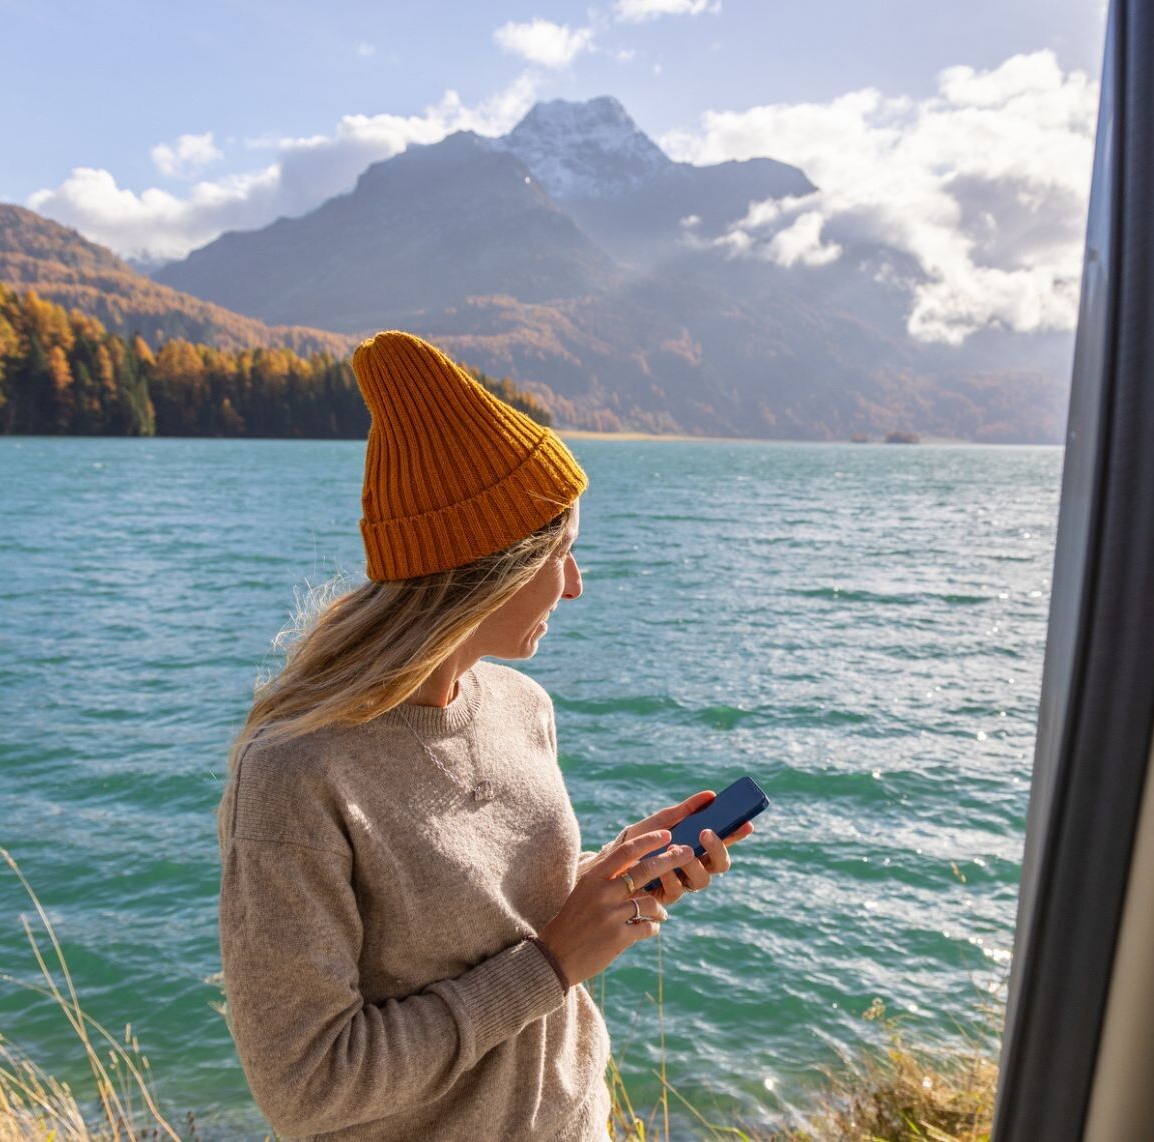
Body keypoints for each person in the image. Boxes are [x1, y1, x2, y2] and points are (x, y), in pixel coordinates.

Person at [216, 330, 755, 1140]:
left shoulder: (519, 706)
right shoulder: (299, 771)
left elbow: (479, 922)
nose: (576, 586)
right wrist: (554, 964)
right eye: (562, 553)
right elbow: (308, 1084)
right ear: (489, 565)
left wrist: (603, 884)